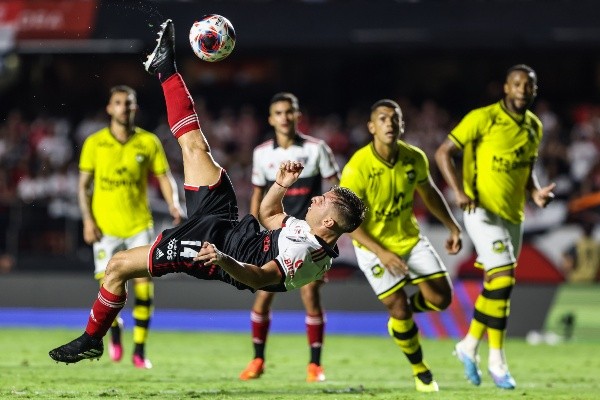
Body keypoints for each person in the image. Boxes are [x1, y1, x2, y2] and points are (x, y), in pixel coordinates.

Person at [48, 19, 366, 367]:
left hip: (212, 251)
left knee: (117, 267)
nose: (316, 198)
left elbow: (258, 278)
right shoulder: (309, 231)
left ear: (331, 221)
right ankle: (165, 67)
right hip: (228, 224)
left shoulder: (307, 258)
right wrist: (281, 186)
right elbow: (269, 215)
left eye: (323, 200)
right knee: (195, 148)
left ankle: (93, 339)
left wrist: (221, 258)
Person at [435, 64, 555, 389]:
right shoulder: (482, 117)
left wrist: (535, 191)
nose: (521, 90)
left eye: (527, 85)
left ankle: (468, 345)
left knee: (498, 284)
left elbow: (525, 165)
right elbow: (444, 152)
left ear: (534, 90)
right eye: (516, 83)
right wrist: (459, 191)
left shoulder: (534, 126)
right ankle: (497, 361)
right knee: (504, 276)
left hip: (512, 215)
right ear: (506, 87)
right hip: (480, 209)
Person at [339, 99, 462, 393]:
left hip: (409, 239)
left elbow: (429, 193)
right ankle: (421, 371)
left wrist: (452, 225)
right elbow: (347, 222)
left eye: (395, 119)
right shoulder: (357, 167)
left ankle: (401, 316)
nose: (389, 123)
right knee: (399, 308)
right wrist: (382, 253)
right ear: (371, 127)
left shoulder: (414, 157)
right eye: (382, 119)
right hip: (373, 247)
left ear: (402, 125)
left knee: (442, 299)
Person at [78, 84, 183, 369]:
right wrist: (88, 220)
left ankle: (139, 350)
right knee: (109, 286)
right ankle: (115, 333)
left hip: (139, 224)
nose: (124, 107)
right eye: (119, 102)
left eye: (129, 103)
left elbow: (164, 177)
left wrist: (174, 204)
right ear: (109, 108)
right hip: (106, 228)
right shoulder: (94, 143)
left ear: (135, 108)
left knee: (144, 283)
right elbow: (83, 187)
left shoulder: (148, 142)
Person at [240, 92, 340, 383]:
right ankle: (257, 360)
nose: (285, 117)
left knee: (310, 294)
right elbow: (258, 195)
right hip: (276, 231)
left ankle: (314, 366)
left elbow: (335, 193)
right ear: (271, 119)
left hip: (310, 236)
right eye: (279, 113)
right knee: (262, 295)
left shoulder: (316, 149)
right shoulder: (261, 154)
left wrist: (330, 240)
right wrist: (252, 230)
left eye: (289, 112)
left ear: (298, 115)